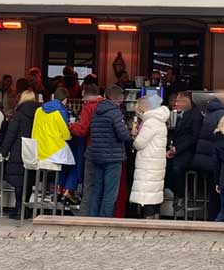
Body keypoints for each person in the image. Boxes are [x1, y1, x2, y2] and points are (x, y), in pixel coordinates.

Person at [87, 86, 132, 217]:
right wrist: (131, 134)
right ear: (120, 99)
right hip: (113, 157)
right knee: (110, 192)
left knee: (97, 190)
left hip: (97, 155)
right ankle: (105, 219)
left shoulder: (96, 111)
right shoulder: (115, 113)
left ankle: (93, 217)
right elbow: (123, 135)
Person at [192, 90, 224, 220]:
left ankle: (213, 218)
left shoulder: (211, 112)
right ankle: (217, 220)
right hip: (214, 159)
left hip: (205, 158)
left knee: (213, 192)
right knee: (217, 194)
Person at [129, 94, 170, 219]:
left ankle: (148, 225)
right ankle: (155, 222)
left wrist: (133, 135)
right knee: (154, 195)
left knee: (147, 196)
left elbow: (139, 144)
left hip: (147, 164)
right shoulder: (160, 120)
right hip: (156, 163)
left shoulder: (150, 122)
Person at [1, 90, 38, 219]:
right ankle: (25, 208)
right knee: (28, 181)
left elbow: (11, 134)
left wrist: (4, 151)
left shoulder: (18, 114)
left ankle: (18, 208)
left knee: (18, 181)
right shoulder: (39, 113)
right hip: (33, 149)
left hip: (18, 149)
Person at [166, 91, 203, 208]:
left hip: (189, 152)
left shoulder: (196, 115)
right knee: (164, 167)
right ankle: (175, 192)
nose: (176, 104)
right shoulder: (182, 113)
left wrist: (178, 149)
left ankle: (181, 195)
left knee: (177, 168)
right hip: (177, 150)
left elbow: (194, 137)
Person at [71, 87, 104, 215]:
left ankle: (85, 214)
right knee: (101, 184)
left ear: (86, 97)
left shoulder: (88, 107)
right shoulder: (108, 105)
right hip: (108, 150)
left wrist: (71, 126)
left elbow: (83, 130)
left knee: (89, 184)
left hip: (92, 148)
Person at [32, 88, 73, 165]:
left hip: (38, 151)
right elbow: (66, 135)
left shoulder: (39, 110)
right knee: (72, 160)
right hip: (54, 152)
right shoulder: (60, 111)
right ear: (65, 100)